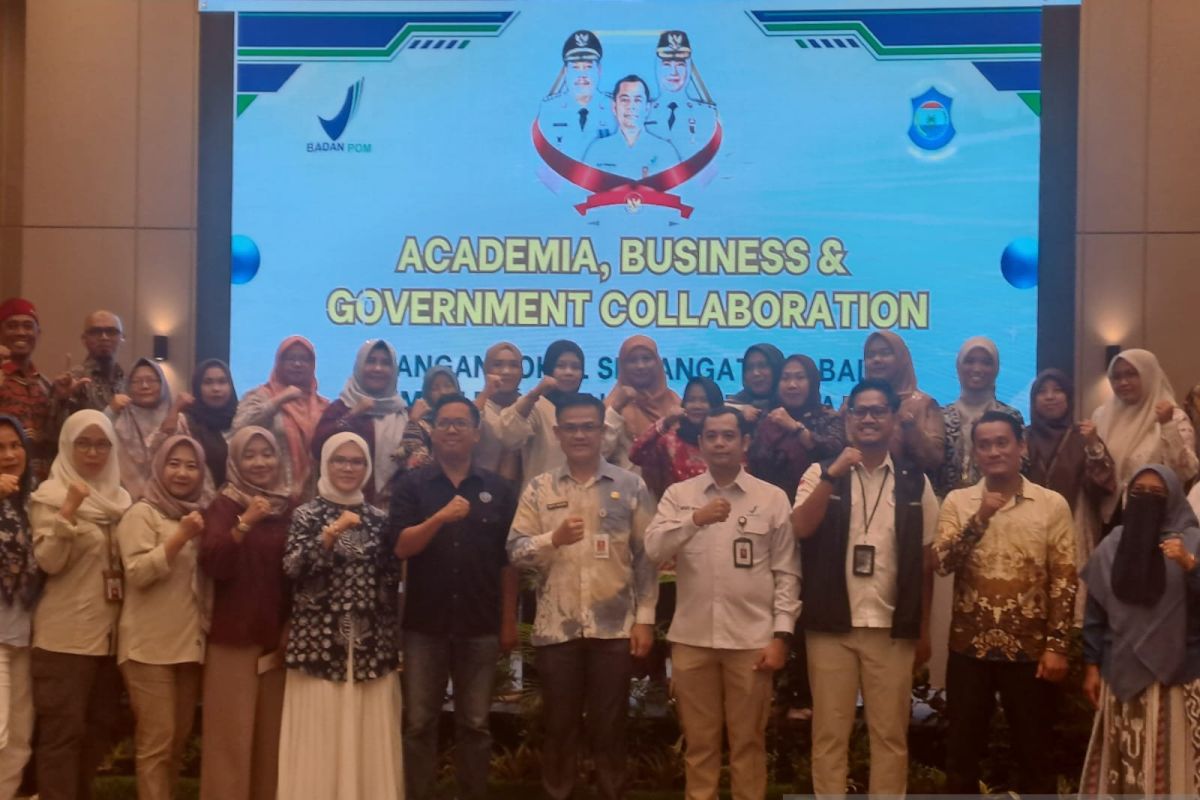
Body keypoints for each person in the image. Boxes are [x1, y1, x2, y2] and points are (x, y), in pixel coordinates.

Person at [791, 379, 939, 796]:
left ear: (893, 419)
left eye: (878, 411)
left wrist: (924, 628)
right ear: (848, 418)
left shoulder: (915, 481)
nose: (869, 418)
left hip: (891, 628)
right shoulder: (820, 471)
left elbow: (926, 561)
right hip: (830, 625)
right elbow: (800, 528)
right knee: (829, 734)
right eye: (860, 411)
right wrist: (831, 475)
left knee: (890, 736)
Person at [507, 393, 658, 800]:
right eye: (570, 428)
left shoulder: (630, 485)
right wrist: (551, 539)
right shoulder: (540, 488)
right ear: (557, 434)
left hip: (614, 629)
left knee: (611, 728)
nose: (579, 435)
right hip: (558, 629)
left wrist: (645, 619)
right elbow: (515, 552)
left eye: (588, 427)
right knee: (559, 727)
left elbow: (647, 558)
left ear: (601, 430)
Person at [644, 406, 800, 800]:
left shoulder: (772, 498)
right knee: (699, 744)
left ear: (745, 442)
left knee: (748, 743)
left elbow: (787, 572)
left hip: (752, 641)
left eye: (728, 436)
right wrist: (694, 520)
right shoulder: (679, 496)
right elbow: (653, 549)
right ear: (700, 444)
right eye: (711, 436)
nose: (719, 443)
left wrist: (781, 635)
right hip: (692, 639)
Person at [933, 410, 1076, 794]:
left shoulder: (1051, 504)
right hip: (969, 649)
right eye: (985, 445)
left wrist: (1057, 646)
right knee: (961, 757)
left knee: (1036, 756)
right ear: (975, 452)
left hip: (1031, 651)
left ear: (1021, 446)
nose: (994, 452)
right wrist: (980, 517)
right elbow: (943, 564)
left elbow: (1064, 579)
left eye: (1002, 443)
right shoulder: (958, 501)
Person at [390, 394, 518, 800]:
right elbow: (401, 548)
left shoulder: (498, 489)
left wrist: (508, 621)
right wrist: (440, 518)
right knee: (419, 723)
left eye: (461, 423)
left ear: (476, 433)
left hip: (480, 624)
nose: (451, 429)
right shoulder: (412, 485)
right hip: (424, 625)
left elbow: (508, 562)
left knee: (475, 724)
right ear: (432, 431)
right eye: (444, 422)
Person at [277, 432, 403, 799]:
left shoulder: (380, 520)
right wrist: (330, 535)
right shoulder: (306, 514)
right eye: (340, 460)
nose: (348, 468)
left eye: (357, 461)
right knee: (319, 732)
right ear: (325, 464)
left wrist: (390, 641)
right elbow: (292, 568)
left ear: (367, 468)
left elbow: (390, 580)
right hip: (317, 646)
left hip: (370, 649)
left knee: (367, 733)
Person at [29, 409, 132, 799]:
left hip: (110, 640)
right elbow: (49, 562)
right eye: (83, 444)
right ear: (67, 446)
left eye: (102, 444)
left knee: (97, 730)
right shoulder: (50, 497)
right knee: (62, 735)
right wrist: (69, 511)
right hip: (64, 640)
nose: (93, 453)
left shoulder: (120, 501)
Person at [1079, 464, 1200, 796]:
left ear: (1173, 499)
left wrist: (1190, 565)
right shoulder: (1113, 544)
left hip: (1177, 680)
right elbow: (1095, 610)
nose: (1147, 499)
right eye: (1139, 492)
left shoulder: (1193, 542)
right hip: (1119, 674)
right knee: (1123, 768)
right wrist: (1091, 665)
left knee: (1172, 771)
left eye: (1157, 494)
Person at [197, 426, 292, 800]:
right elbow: (214, 563)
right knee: (229, 741)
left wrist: (290, 626)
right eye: (249, 455)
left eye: (267, 454)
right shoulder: (224, 505)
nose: (259, 463)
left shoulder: (288, 507)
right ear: (235, 461)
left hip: (275, 640)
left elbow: (295, 574)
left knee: (271, 742)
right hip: (232, 638)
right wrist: (245, 521)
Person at [115, 435, 210, 800]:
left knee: (176, 743)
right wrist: (179, 538)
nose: (182, 473)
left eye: (191, 466)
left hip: (187, 648)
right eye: (174, 464)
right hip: (147, 648)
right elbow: (137, 573)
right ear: (159, 466)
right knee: (157, 742)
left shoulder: (200, 513)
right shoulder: (143, 513)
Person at [1025, 368, 1116, 596]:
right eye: (1042, 391)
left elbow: (1103, 485)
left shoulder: (1083, 436)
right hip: (1027, 530)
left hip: (1073, 529)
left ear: (1069, 397)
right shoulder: (1022, 437)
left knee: (1069, 594)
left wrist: (1093, 445)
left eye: (1058, 390)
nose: (1050, 397)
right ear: (1033, 399)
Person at [495, 340, 625, 488]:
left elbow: (602, 450)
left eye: (575, 367)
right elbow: (508, 437)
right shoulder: (536, 406)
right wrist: (535, 393)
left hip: (585, 495)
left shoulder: (586, 408)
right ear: (549, 369)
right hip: (540, 496)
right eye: (561, 366)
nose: (569, 372)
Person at [1092, 348, 1198, 531]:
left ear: (1149, 374)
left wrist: (1167, 426)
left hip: (1156, 519)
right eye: (1116, 377)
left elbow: (1186, 471)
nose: (1123, 382)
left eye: (1131, 374)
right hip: (1108, 517)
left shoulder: (1173, 417)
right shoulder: (1102, 416)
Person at [312, 339, 409, 507]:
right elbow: (317, 447)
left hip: (392, 508)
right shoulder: (341, 407)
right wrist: (354, 414)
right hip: (342, 505)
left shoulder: (403, 413)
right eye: (371, 361)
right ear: (359, 366)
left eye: (385, 363)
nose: (377, 368)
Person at [233, 335, 329, 502]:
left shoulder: (323, 406)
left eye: (304, 359)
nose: (297, 364)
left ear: (312, 365)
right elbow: (239, 426)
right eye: (291, 359)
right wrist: (279, 400)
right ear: (279, 363)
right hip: (268, 497)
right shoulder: (260, 396)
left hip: (311, 497)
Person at [0, 415, 39, 795]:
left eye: (16, 446)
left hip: (25, 635)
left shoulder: (34, 498)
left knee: (19, 741)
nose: (10, 455)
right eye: (0, 448)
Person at [748, 353, 846, 504]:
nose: (792, 385)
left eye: (800, 378)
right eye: (785, 378)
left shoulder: (828, 417)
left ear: (812, 382)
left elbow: (834, 452)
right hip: (765, 505)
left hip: (814, 506)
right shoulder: (766, 417)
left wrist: (796, 428)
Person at [938, 337, 1024, 496]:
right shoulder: (942, 416)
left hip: (1001, 502)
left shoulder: (1009, 416)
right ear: (958, 366)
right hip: (947, 505)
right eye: (969, 361)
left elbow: (1020, 466)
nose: (977, 369)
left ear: (996, 369)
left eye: (986, 362)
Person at [859, 331, 944, 473]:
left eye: (885, 353)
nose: (876, 359)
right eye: (870, 355)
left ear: (901, 359)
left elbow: (934, 460)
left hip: (913, 485)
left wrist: (910, 427)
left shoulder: (924, 404)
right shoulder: (853, 406)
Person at [629, 376, 723, 498]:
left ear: (715, 404)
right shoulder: (670, 441)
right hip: (676, 507)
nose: (697, 406)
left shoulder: (726, 440)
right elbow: (635, 455)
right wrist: (666, 422)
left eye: (704, 400)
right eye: (691, 400)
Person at [583, 75, 680, 179]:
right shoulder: (597, 150)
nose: (631, 106)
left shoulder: (666, 151)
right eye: (624, 100)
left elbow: (678, 187)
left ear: (647, 108)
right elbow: (583, 187)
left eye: (637, 100)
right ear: (614, 107)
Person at [537, 30, 614, 159]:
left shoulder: (614, 107)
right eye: (575, 68)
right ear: (566, 71)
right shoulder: (549, 108)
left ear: (599, 70)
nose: (582, 75)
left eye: (588, 67)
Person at [48, 310, 128, 432]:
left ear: (122, 338)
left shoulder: (128, 381)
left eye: (111, 332)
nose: (104, 337)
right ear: (84, 339)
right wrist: (62, 400)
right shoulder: (72, 380)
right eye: (96, 332)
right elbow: (56, 433)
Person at [644, 30, 719, 161]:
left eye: (680, 65)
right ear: (658, 67)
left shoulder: (706, 113)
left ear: (688, 68)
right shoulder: (643, 111)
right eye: (667, 65)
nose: (674, 72)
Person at [0, 298, 54, 479]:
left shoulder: (44, 384)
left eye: (28, 326)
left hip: (40, 484)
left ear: (38, 333)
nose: (21, 332)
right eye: (12, 326)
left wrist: (62, 399)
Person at [112, 358, 172, 500]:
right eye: (137, 381)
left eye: (151, 380)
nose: (144, 386)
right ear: (128, 386)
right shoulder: (118, 420)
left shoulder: (177, 419)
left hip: (169, 501)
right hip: (123, 500)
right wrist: (110, 411)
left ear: (162, 384)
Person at [608, 335, 680, 443]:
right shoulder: (613, 405)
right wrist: (616, 409)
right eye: (632, 360)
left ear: (657, 363)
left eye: (646, 359)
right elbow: (601, 449)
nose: (640, 366)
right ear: (623, 366)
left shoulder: (674, 401)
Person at [394, 365, 461, 478]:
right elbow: (409, 461)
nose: (443, 392)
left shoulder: (466, 421)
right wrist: (413, 422)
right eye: (435, 388)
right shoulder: (420, 424)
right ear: (427, 393)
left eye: (448, 386)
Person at [180, 359, 238, 487]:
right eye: (208, 382)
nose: (216, 388)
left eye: (222, 382)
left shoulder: (242, 419)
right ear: (197, 387)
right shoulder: (186, 422)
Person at [475, 341, 524, 482]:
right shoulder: (477, 406)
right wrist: (486, 393)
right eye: (497, 365)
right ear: (486, 370)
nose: (506, 371)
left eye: (513, 365)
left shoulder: (531, 407)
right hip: (480, 488)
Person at [727, 343, 784, 427]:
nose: (755, 373)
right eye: (749, 368)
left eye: (763, 366)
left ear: (777, 369)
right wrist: (740, 408)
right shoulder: (738, 402)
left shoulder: (791, 402)